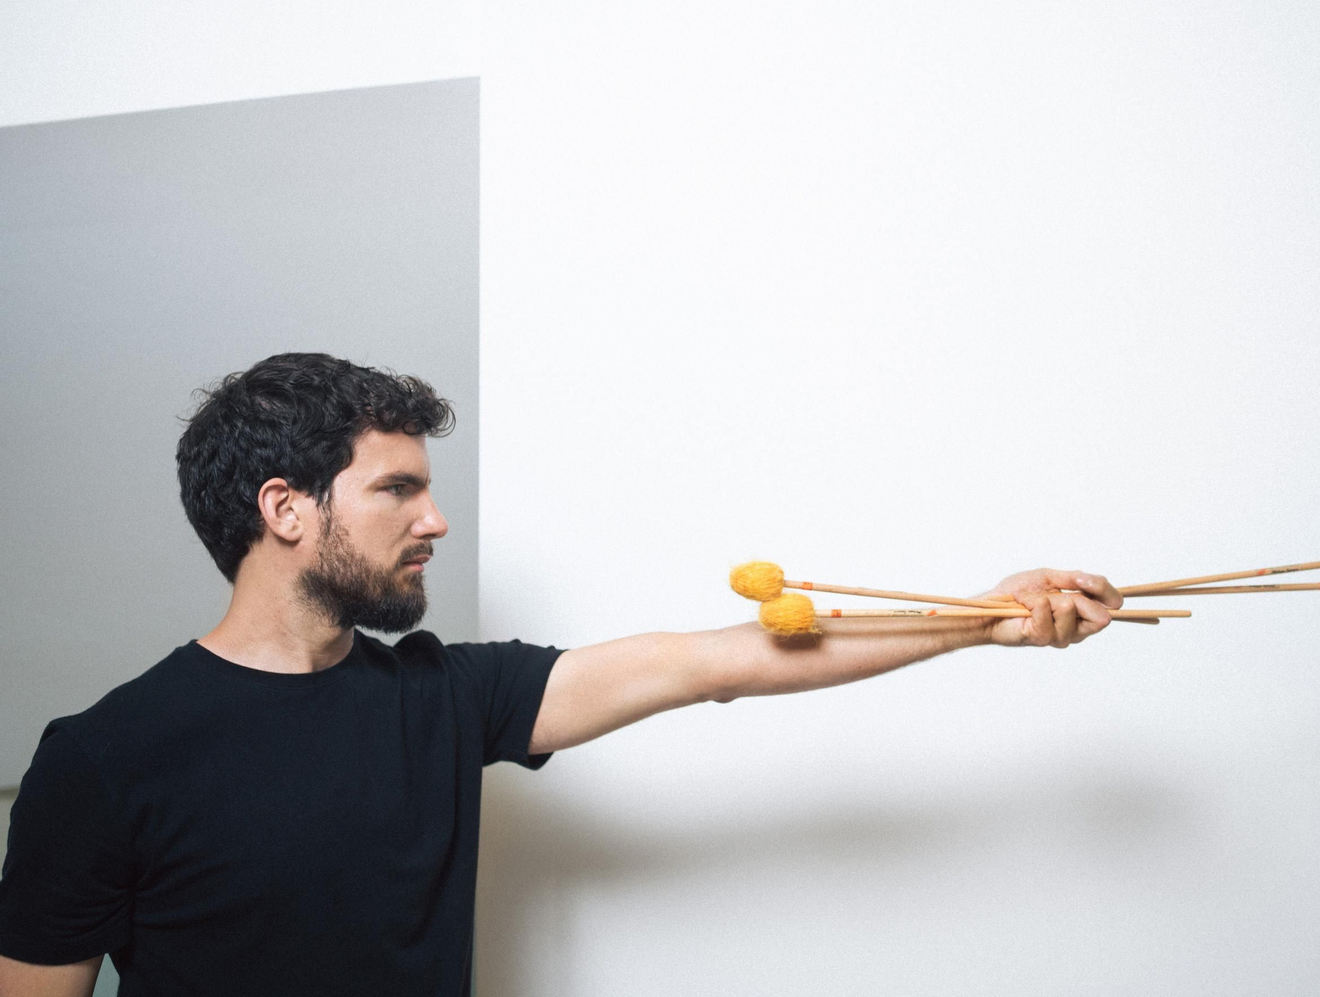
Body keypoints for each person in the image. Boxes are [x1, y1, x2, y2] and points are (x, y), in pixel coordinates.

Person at [0, 352, 1123, 997]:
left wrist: (981, 620)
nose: (435, 518)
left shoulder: (442, 695)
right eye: (397, 488)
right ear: (286, 508)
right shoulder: (102, 759)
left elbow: (709, 662)